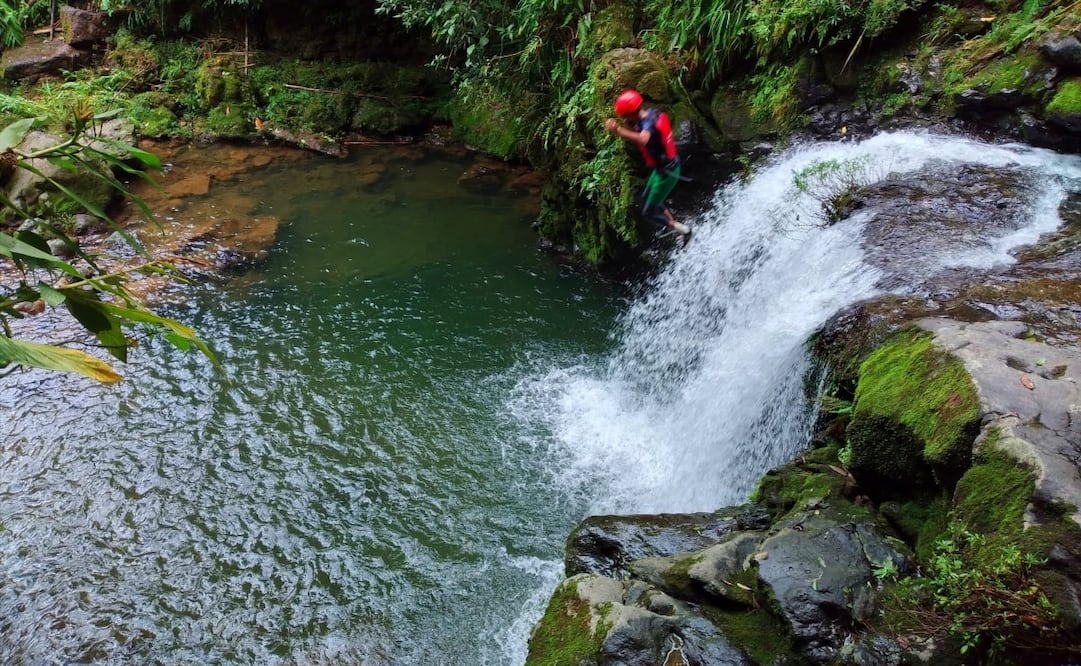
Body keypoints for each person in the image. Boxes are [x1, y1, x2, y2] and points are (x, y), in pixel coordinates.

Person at [604, 89, 690, 238]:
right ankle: (673, 222)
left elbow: (643, 138)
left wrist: (618, 130)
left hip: (667, 173)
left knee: (648, 212)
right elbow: (644, 131)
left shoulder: (647, 126)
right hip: (661, 170)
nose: (624, 120)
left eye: (625, 116)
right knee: (646, 195)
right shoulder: (650, 114)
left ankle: (683, 230)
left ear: (632, 113)